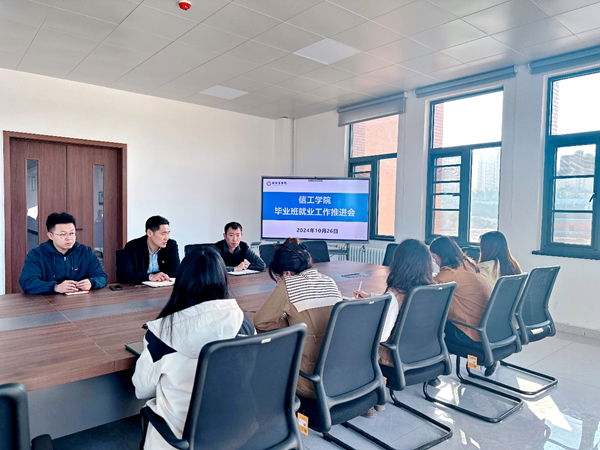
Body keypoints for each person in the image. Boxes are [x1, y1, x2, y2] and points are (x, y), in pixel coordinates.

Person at [132, 246, 255, 450]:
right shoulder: (244, 323)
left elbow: (142, 390)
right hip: (237, 431)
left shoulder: (161, 334)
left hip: (181, 438)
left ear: (182, 281)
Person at [253, 238, 342, 398]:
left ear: (287, 273)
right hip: (340, 376)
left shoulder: (289, 285)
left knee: (264, 353)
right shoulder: (330, 281)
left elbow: (261, 322)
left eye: (278, 277)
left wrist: (289, 322)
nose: (279, 281)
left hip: (309, 382)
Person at [354, 238, 431, 417]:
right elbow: (394, 303)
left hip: (394, 357)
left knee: (358, 343)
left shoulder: (395, 294)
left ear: (399, 264)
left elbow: (381, 337)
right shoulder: (429, 290)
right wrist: (373, 297)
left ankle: (370, 400)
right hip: (423, 352)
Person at [429, 236, 495, 375]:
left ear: (439, 255)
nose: (434, 261)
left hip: (469, 333)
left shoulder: (448, 274)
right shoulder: (468, 265)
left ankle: (431, 373)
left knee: (429, 326)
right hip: (487, 330)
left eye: (433, 257)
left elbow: (426, 290)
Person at [19, 212, 107, 294]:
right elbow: (27, 282)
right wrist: (55, 287)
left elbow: (101, 276)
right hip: (48, 302)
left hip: (80, 301)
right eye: (63, 234)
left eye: (72, 233)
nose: (69, 238)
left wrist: (91, 283)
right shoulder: (36, 254)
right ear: (50, 236)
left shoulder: (86, 252)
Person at [117, 216, 180, 284]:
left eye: (168, 233)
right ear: (149, 233)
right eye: (163, 234)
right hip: (138, 288)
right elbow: (125, 275)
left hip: (162, 287)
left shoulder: (171, 245)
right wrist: (150, 277)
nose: (166, 238)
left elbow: (176, 271)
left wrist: (156, 276)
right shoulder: (132, 247)